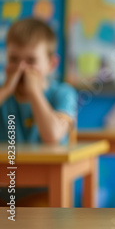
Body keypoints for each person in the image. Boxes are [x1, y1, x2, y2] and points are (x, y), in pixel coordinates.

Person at [0, 17, 77, 205]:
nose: (21, 68)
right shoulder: (4, 94)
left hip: (47, 193)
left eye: (31, 60)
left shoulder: (62, 93)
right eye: (14, 59)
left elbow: (52, 136)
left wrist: (34, 92)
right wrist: (6, 90)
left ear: (51, 64)